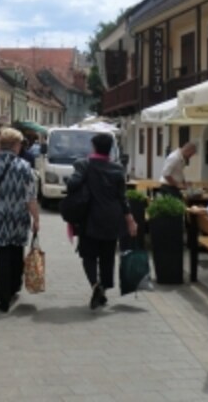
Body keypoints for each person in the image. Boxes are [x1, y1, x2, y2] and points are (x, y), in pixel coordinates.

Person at [66, 132, 138, 310]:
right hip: (112, 218)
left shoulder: (84, 164)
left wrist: (73, 180)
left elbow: (72, 185)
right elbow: (122, 198)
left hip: (90, 218)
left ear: (94, 147)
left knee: (88, 255)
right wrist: (129, 218)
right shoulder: (118, 168)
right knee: (107, 257)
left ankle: (95, 285)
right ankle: (103, 289)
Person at [0, 128, 39, 312]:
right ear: (15, 145)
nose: (21, 147)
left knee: (1, 256)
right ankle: (13, 288)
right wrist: (36, 218)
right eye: (19, 144)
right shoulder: (24, 166)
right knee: (16, 254)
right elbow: (31, 197)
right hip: (18, 218)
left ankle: (3, 297)